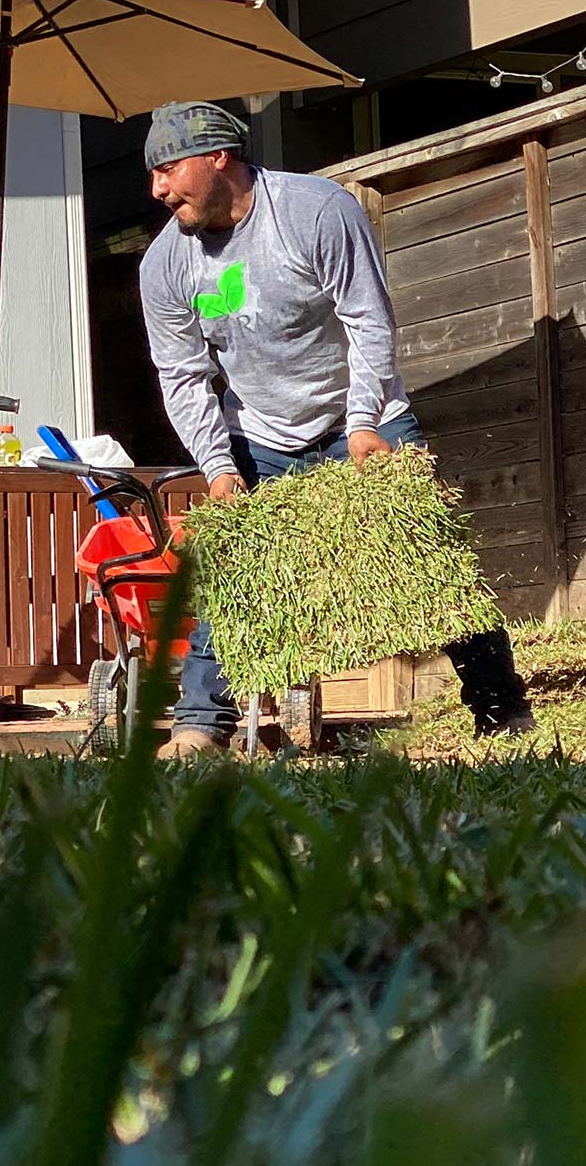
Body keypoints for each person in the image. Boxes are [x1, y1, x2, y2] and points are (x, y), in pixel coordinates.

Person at [138, 101, 535, 758]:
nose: (157, 188)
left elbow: (369, 321)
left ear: (218, 157)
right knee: (235, 570)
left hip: (362, 411)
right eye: (152, 173)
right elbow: (182, 376)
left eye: (168, 168)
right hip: (260, 435)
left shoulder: (314, 211)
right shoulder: (165, 265)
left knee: (433, 557)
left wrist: (361, 423)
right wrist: (218, 465)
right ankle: (198, 727)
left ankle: (501, 712)